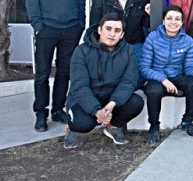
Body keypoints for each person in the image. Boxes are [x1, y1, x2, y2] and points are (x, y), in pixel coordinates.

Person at [26, 0, 86, 132]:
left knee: (64, 71)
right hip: (47, 28)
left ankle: (58, 109)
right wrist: (38, 25)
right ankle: (41, 113)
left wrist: (81, 23)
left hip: (70, 28)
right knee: (42, 73)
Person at [62, 14, 144, 149]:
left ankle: (112, 127)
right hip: (84, 99)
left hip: (110, 97)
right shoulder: (82, 51)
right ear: (100, 30)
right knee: (84, 124)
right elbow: (79, 86)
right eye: (108, 29)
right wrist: (96, 111)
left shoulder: (128, 51)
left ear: (122, 34)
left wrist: (112, 104)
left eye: (117, 31)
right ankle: (71, 128)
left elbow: (129, 81)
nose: (112, 34)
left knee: (136, 102)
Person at [140, 6, 193, 142]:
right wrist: (163, 79)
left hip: (177, 77)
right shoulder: (153, 38)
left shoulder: (187, 40)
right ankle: (154, 127)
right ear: (163, 21)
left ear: (182, 23)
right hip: (157, 78)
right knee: (153, 90)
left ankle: (187, 122)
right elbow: (144, 67)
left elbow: (188, 67)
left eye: (177, 19)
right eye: (169, 18)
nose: (173, 22)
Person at [90, 0, 150, 66]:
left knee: (138, 73)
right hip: (109, 46)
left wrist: (150, 14)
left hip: (134, 46)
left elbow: (147, 24)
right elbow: (94, 27)